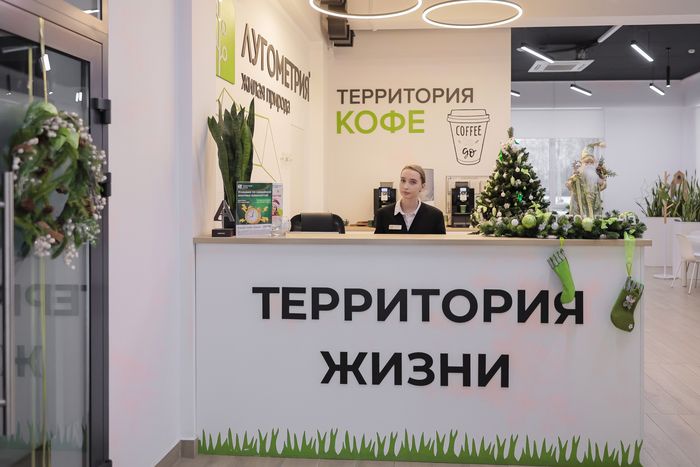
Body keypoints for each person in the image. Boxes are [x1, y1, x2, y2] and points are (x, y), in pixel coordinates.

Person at [374, 164, 446, 234]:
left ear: (422, 187)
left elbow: (441, 242)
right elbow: (377, 242)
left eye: (413, 182)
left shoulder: (435, 216)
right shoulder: (383, 214)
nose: (405, 186)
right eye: (403, 180)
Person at [566, 142, 607, 217]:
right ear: (582, 163)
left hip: (594, 204)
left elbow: (602, 185)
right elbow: (569, 184)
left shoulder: (595, 175)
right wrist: (573, 180)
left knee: (594, 219)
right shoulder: (578, 174)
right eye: (587, 162)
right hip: (580, 205)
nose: (589, 164)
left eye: (591, 162)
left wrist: (603, 182)